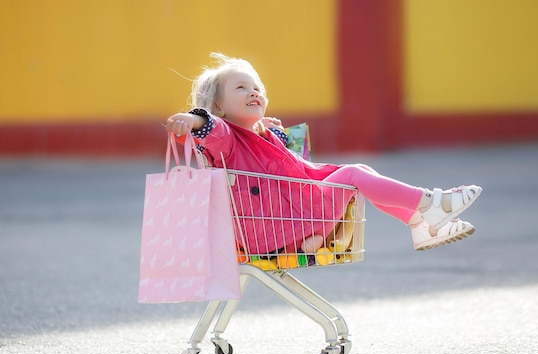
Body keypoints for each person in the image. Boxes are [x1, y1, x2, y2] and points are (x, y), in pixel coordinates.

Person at [165, 52, 482, 252]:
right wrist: (193, 119)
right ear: (218, 105)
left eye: (257, 88)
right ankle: (430, 202)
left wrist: (276, 135)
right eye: (241, 88)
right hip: (272, 228)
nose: (253, 92)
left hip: (287, 219)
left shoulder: (261, 136)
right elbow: (212, 132)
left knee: (361, 173)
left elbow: (296, 167)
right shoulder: (227, 140)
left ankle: (420, 224)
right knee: (353, 174)